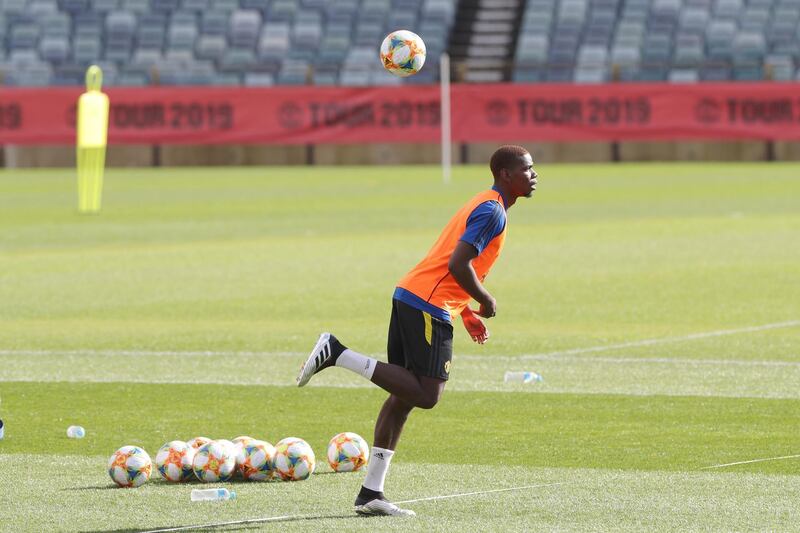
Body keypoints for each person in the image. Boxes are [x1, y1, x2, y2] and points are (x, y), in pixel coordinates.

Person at [296, 145, 538, 517]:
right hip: (428, 304)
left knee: (403, 396)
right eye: (526, 169)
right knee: (427, 395)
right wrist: (485, 300)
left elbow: (451, 265)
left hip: (416, 296)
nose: (533, 175)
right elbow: (458, 263)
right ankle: (337, 352)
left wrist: (466, 313)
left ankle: (371, 494)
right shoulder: (492, 211)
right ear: (505, 174)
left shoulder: (488, 203)